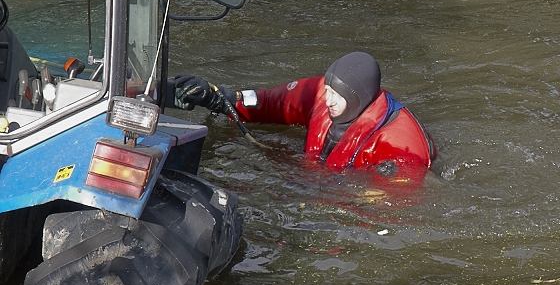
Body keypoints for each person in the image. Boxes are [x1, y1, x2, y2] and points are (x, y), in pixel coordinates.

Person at [173, 52, 437, 190]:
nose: (329, 100)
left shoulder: (399, 144)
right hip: (313, 179)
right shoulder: (323, 94)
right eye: (329, 92)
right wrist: (220, 99)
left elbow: (392, 201)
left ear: (359, 98)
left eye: (338, 96)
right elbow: (271, 102)